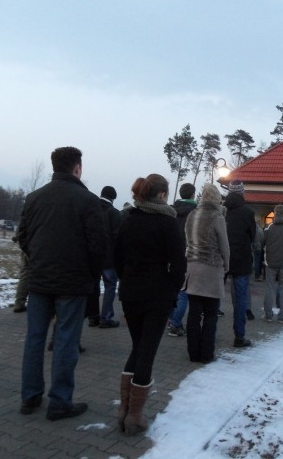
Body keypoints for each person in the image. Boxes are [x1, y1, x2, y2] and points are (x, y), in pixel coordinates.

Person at [17, 147, 105, 421]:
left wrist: (38, 260)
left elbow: (22, 237)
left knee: (34, 338)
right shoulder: (88, 201)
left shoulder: (34, 198)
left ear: (54, 167)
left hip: (40, 279)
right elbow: (98, 246)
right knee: (66, 341)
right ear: (77, 168)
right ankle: (60, 401)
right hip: (73, 282)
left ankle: (30, 397)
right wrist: (90, 274)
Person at [114, 174, 186, 435]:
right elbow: (179, 262)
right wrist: (172, 288)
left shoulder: (128, 218)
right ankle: (134, 416)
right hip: (157, 294)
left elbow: (116, 255)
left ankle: (123, 409)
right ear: (163, 194)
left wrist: (127, 277)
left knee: (138, 346)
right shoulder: (168, 222)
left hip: (131, 291)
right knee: (147, 351)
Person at [183, 183, 229, 364]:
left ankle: (192, 352)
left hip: (193, 267)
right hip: (211, 268)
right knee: (211, 314)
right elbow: (224, 246)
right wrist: (226, 265)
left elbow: (186, 238)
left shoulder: (192, 215)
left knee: (194, 314)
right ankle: (206, 353)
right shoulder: (217, 217)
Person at [224, 179, 256, 347]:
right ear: (242, 192)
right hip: (241, 259)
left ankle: (208, 335)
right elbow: (252, 236)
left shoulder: (223, 210)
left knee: (213, 300)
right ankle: (239, 336)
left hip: (221, 258)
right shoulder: (247, 212)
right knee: (240, 299)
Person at [168, 183, 197, 337]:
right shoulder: (196, 212)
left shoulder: (172, 210)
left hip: (172, 253)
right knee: (184, 291)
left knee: (173, 288)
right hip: (189, 254)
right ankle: (176, 324)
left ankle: (170, 318)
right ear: (193, 194)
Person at [262, 205, 283, 323]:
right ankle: (282, 316)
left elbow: (263, 243)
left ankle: (268, 315)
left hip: (270, 262)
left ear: (275, 213)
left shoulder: (268, 228)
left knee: (269, 288)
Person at [92, 186, 122, 328]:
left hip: (92, 256)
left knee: (94, 286)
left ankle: (93, 316)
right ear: (113, 198)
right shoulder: (114, 213)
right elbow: (117, 237)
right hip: (109, 258)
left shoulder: (91, 209)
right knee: (110, 287)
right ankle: (106, 317)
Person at [12, 234, 29, 313]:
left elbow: (20, 230)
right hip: (41, 246)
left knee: (25, 274)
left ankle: (19, 303)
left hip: (28, 245)